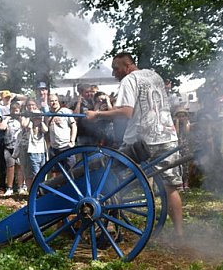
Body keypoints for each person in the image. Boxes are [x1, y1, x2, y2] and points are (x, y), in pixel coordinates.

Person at [85, 53, 185, 239]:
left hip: (141, 141)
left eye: (116, 68)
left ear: (127, 66)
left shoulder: (129, 80)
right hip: (167, 136)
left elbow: (126, 112)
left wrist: (97, 114)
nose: (114, 73)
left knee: (111, 181)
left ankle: (110, 228)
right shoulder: (155, 76)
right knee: (170, 187)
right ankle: (179, 236)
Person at [45, 94, 77, 171]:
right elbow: (47, 131)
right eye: (51, 101)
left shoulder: (65, 111)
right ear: (48, 102)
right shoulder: (47, 115)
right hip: (54, 148)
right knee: (56, 172)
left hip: (66, 146)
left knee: (72, 171)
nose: (54, 102)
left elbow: (73, 126)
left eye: (55, 100)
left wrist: (72, 140)